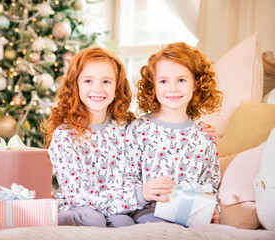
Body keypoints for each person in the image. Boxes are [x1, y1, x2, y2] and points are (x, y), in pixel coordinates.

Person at [44, 47, 218, 228]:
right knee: (93, 219)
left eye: (106, 81)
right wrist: (139, 194)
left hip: (119, 209)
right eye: (88, 81)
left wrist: (203, 132)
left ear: (117, 86)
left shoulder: (124, 127)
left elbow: (169, 134)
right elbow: (79, 196)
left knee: (124, 222)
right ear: (75, 85)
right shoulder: (65, 136)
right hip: (79, 208)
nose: (98, 89)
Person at [126, 42, 223, 225]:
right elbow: (127, 179)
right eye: (163, 81)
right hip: (148, 213)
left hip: (192, 214)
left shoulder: (204, 137)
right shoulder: (138, 130)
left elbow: (210, 184)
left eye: (181, 80)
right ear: (153, 86)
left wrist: (213, 209)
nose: (172, 88)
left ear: (196, 84)